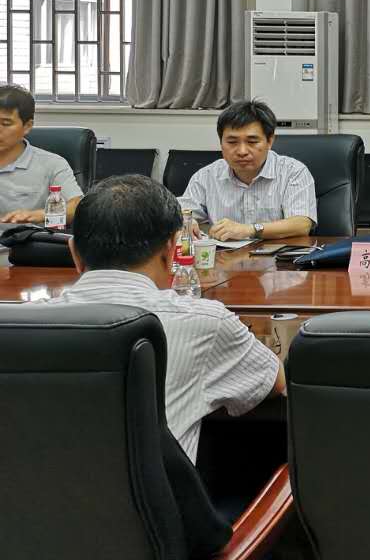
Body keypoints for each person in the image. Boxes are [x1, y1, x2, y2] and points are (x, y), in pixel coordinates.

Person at [26, 174, 283, 460]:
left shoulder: (19, 326)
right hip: (156, 491)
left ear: (74, 253)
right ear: (172, 250)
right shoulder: (206, 322)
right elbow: (275, 382)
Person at [182, 100, 316, 241]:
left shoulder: (293, 172)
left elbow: (302, 224)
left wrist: (249, 230)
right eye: (232, 142)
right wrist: (185, 222)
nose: (242, 151)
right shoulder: (206, 176)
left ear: (270, 141)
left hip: (278, 254)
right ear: (221, 142)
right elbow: (181, 213)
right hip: (224, 254)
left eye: (252, 142)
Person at [0, 83, 83, 224]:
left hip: (25, 237)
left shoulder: (52, 164)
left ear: (27, 126)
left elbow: (77, 208)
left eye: (6, 123)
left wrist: (40, 215)